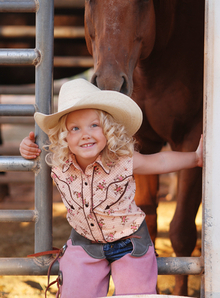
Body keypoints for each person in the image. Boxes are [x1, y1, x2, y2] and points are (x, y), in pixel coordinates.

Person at [20, 78, 203, 298]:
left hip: (129, 240)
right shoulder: (59, 162)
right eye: (75, 128)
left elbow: (159, 162)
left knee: (136, 295)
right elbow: (35, 150)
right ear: (64, 137)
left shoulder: (121, 160)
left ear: (108, 130)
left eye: (94, 125)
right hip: (84, 243)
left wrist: (194, 158)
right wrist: (26, 147)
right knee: (75, 293)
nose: (85, 134)